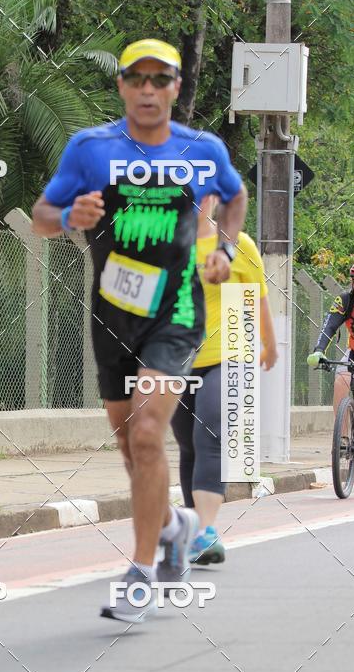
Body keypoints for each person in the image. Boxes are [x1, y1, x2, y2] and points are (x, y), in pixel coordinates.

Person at [31, 38, 247, 623]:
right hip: (112, 315)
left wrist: (225, 248)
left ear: (177, 86)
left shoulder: (202, 150)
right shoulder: (91, 148)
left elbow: (235, 195)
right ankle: (176, 525)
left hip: (176, 312)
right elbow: (42, 217)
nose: (149, 90)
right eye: (138, 79)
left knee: (150, 436)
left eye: (161, 79)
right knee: (131, 447)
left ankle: (141, 572)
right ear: (122, 85)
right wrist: (68, 217)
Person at [170, 194, 278, 566]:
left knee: (209, 432)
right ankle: (195, 531)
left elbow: (258, 298)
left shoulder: (237, 245)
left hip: (227, 354)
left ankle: (205, 528)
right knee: (187, 443)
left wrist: (270, 345)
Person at [307, 264, 354, 413]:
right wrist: (319, 350)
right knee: (341, 381)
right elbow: (329, 326)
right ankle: (342, 435)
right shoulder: (345, 301)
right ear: (353, 283)